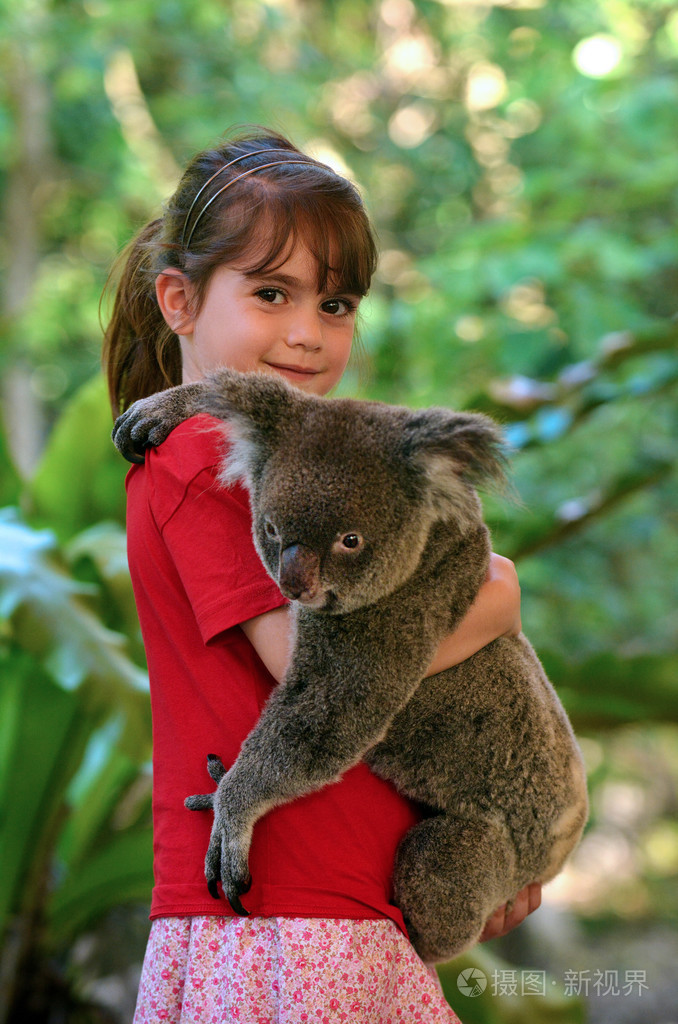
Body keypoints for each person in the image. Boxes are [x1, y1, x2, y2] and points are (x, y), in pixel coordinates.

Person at [103, 128, 541, 1024]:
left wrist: (486, 856)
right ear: (179, 301)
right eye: (271, 294)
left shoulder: (293, 459)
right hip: (281, 922)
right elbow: (311, 667)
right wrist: (496, 599)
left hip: (338, 908)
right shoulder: (201, 456)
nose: (307, 333)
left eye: (336, 305)